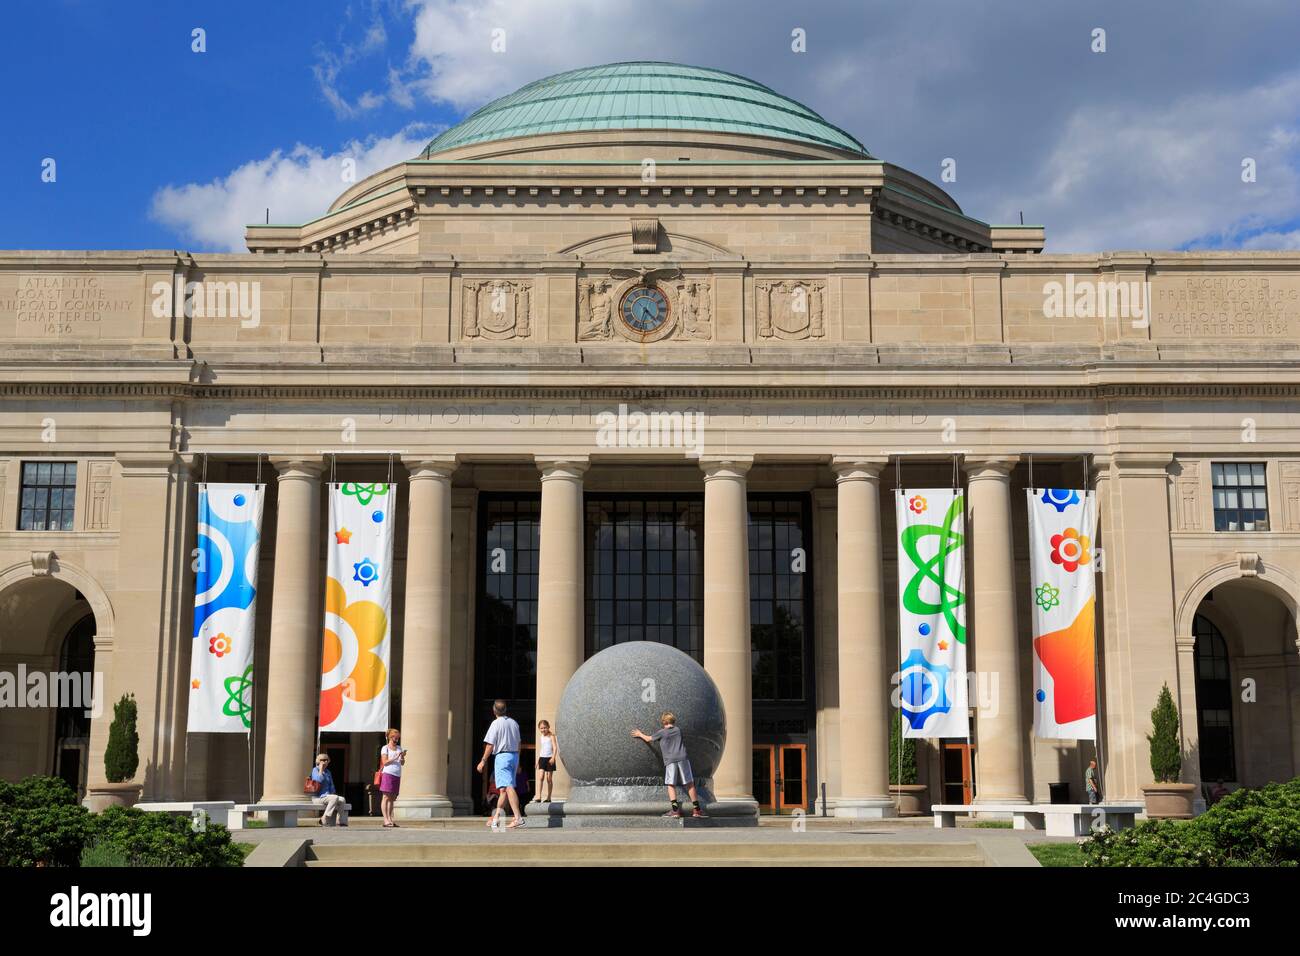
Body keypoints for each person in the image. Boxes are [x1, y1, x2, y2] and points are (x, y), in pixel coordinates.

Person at [632, 711, 706, 818]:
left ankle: (675, 811)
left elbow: (648, 739)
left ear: (664, 722)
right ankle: (697, 810)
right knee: (689, 784)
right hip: (683, 758)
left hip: (670, 760)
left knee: (671, 785)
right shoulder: (678, 730)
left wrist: (639, 734)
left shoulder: (662, 732)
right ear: (673, 721)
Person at [477, 700, 524, 829]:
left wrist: (483, 761)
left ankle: (518, 817)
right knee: (503, 789)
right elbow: (519, 743)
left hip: (502, 756)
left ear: (494, 711)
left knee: (508, 787)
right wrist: (518, 760)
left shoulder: (495, 723)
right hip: (514, 755)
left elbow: (490, 744)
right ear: (505, 709)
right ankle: (496, 817)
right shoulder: (514, 723)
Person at [309, 753, 349, 827]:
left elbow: (332, 787)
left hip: (327, 797)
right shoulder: (315, 770)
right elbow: (318, 780)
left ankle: (340, 821)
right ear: (318, 761)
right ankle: (324, 817)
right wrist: (320, 770)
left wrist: (332, 792)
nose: (325, 762)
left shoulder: (328, 772)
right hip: (318, 797)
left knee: (342, 799)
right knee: (335, 798)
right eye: (323, 760)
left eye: (327, 760)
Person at [379, 728, 406, 828]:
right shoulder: (385, 748)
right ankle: (385, 819)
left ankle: (390, 819)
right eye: (395, 737)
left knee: (392, 798)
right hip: (388, 773)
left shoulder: (399, 748)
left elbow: (402, 763)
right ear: (390, 737)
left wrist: (402, 757)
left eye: (398, 738)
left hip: (397, 774)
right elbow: (385, 762)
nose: (396, 740)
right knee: (386, 797)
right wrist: (395, 757)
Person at [535, 719, 558, 803]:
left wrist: (553, 757)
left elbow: (555, 748)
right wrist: (538, 761)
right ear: (539, 729)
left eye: (545, 728)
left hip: (550, 758)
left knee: (549, 779)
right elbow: (542, 749)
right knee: (541, 777)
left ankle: (549, 797)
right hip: (542, 758)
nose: (543, 730)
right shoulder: (541, 737)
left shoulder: (551, 736)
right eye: (541, 728)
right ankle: (538, 796)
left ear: (548, 727)